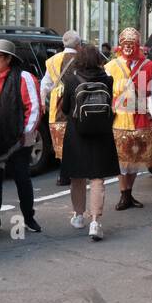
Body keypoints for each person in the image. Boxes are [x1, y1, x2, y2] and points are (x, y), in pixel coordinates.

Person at [59, 44, 120, 241]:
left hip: (77, 134)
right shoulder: (108, 80)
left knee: (77, 177)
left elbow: (66, 108)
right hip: (101, 134)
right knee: (97, 179)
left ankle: (78, 217)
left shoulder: (71, 80)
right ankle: (95, 221)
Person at [0, 38, 42, 235]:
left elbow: (33, 108)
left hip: (18, 143)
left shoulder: (24, 78)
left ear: (8, 59)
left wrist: (25, 134)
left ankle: (28, 217)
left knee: (22, 180)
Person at [106, 27, 152, 210]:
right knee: (122, 158)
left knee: (135, 157)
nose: (128, 48)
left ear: (138, 45)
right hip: (119, 118)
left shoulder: (147, 65)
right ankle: (123, 194)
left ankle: (129, 193)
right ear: (120, 45)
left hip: (140, 116)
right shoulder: (111, 67)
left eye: (132, 44)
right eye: (125, 44)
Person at [40, 31, 82, 187]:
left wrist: (42, 101)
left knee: (61, 139)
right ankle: (76, 171)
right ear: (78, 44)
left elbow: (45, 84)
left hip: (57, 103)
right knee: (77, 136)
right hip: (78, 100)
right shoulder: (82, 59)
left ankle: (63, 174)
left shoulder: (51, 61)